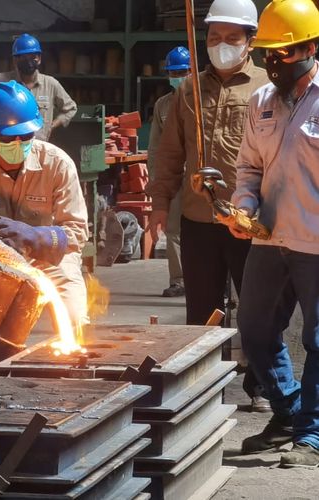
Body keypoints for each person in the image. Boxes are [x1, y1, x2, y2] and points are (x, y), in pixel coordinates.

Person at [145, 0, 270, 411]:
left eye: (232, 38)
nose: (221, 46)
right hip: (199, 216)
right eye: (214, 38)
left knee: (257, 309)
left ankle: (261, 386)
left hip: (251, 220)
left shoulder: (266, 87)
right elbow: (168, 154)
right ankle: (203, 387)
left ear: (250, 41)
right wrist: (160, 205)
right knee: (202, 309)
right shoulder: (189, 90)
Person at [230, 0, 319, 467]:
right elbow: (249, 167)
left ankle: (313, 434)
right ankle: (286, 412)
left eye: (281, 54)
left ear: (310, 47)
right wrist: (244, 206)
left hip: (316, 244)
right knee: (255, 330)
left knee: (318, 340)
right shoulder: (260, 102)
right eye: (265, 53)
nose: (271, 62)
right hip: (268, 239)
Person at [0, 81, 89, 325]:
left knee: (74, 318)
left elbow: (78, 233)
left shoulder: (57, 164)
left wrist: (36, 237)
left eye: (26, 136)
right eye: (9, 138)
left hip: (49, 258)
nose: (19, 143)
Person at [148, 46, 192, 298]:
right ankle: (179, 280)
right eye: (173, 72)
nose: (177, 76)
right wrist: (157, 180)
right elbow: (155, 146)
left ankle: (216, 278)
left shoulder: (203, 102)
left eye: (182, 72)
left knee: (207, 229)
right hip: (175, 178)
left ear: (191, 71)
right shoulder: (162, 105)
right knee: (174, 229)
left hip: (200, 178)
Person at [0, 34, 77, 143]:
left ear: (39, 58)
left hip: (40, 145)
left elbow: (71, 108)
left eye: (32, 56)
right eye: (23, 57)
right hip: (9, 146)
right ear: (15, 60)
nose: (28, 61)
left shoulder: (51, 84)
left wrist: (51, 126)